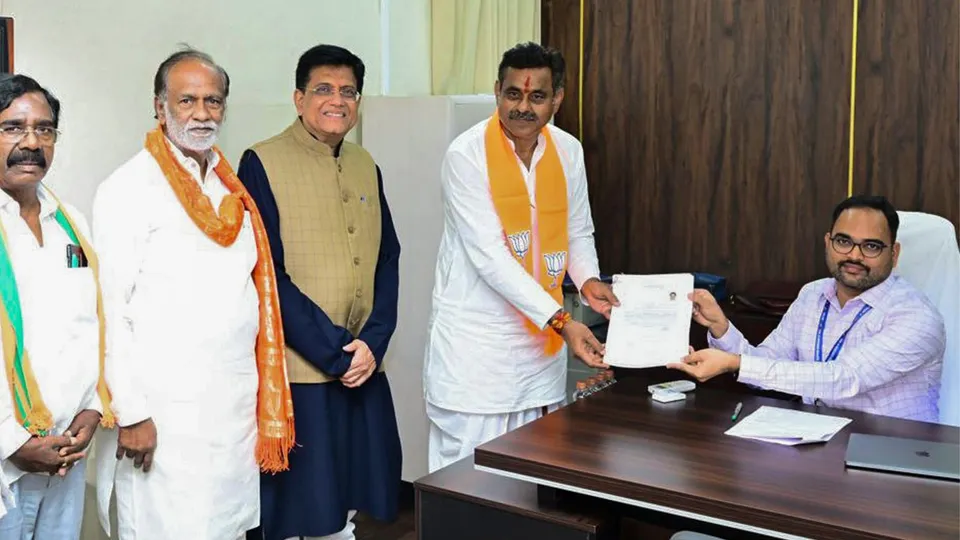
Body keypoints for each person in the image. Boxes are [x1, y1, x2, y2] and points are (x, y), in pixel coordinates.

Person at [92, 49, 295, 540]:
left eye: (213, 101)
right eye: (186, 101)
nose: (201, 113)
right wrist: (132, 411)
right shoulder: (128, 188)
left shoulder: (231, 191)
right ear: (159, 108)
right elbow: (109, 309)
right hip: (165, 414)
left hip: (231, 409)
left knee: (225, 528)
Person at [423, 42, 619, 473]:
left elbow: (577, 230)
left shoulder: (568, 151)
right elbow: (490, 258)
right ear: (497, 91)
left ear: (557, 99)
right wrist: (565, 322)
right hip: (478, 356)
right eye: (513, 94)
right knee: (467, 489)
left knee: (528, 486)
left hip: (538, 359)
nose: (523, 107)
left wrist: (587, 280)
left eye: (537, 96)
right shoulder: (465, 156)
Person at [238, 44, 401, 540]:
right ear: (298, 98)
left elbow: (387, 256)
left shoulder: (363, 162)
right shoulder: (261, 162)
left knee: (350, 502)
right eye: (324, 89)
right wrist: (336, 354)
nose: (338, 100)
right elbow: (265, 273)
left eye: (348, 91)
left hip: (363, 364)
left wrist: (373, 341)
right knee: (301, 510)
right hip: (303, 372)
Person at [671, 195, 946, 422]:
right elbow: (764, 367)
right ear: (828, 243)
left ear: (894, 254)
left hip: (892, 454)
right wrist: (721, 329)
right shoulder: (812, 294)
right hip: (816, 439)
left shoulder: (917, 317)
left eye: (871, 246)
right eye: (843, 241)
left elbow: (844, 378)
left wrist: (737, 363)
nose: (854, 255)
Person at [0, 74, 113, 538]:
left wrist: (91, 411)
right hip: (9, 460)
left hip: (66, 451)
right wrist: (13, 442)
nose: (31, 143)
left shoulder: (71, 225)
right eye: (13, 128)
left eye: (44, 130)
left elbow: (87, 323)